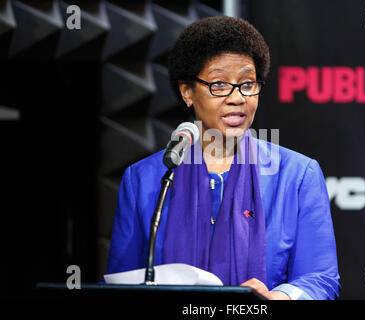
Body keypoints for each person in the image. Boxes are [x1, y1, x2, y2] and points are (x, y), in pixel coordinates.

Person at [106, 16, 340, 300]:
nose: (237, 97)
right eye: (219, 84)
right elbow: (121, 285)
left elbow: (321, 279)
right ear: (187, 91)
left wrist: (279, 298)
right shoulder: (145, 178)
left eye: (247, 84)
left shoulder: (298, 174)